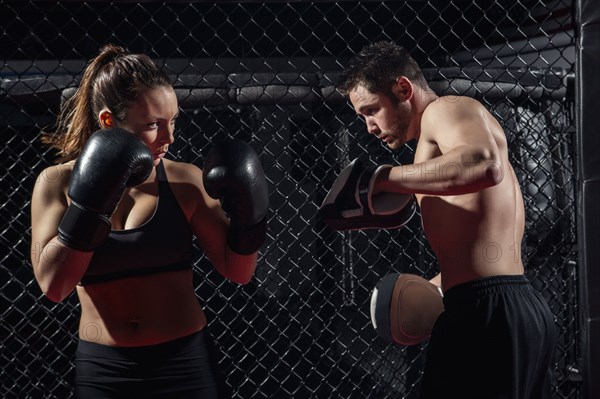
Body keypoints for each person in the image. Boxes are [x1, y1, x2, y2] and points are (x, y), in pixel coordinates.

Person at [30, 44, 269, 398]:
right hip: (104, 369)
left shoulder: (185, 182)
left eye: (173, 121)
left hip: (185, 362)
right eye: (153, 125)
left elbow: (239, 272)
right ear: (109, 121)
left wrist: (250, 219)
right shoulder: (56, 183)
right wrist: (90, 206)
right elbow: (54, 287)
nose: (169, 138)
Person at [327, 41, 557, 398]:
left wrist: (383, 177)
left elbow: (484, 164)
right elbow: (477, 249)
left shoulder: (445, 110)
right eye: (362, 117)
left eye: (371, 110)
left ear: (403, 89)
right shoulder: (431, 152)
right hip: (513, 306)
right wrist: (434, 288)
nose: (369, 127)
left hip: (488, 312)